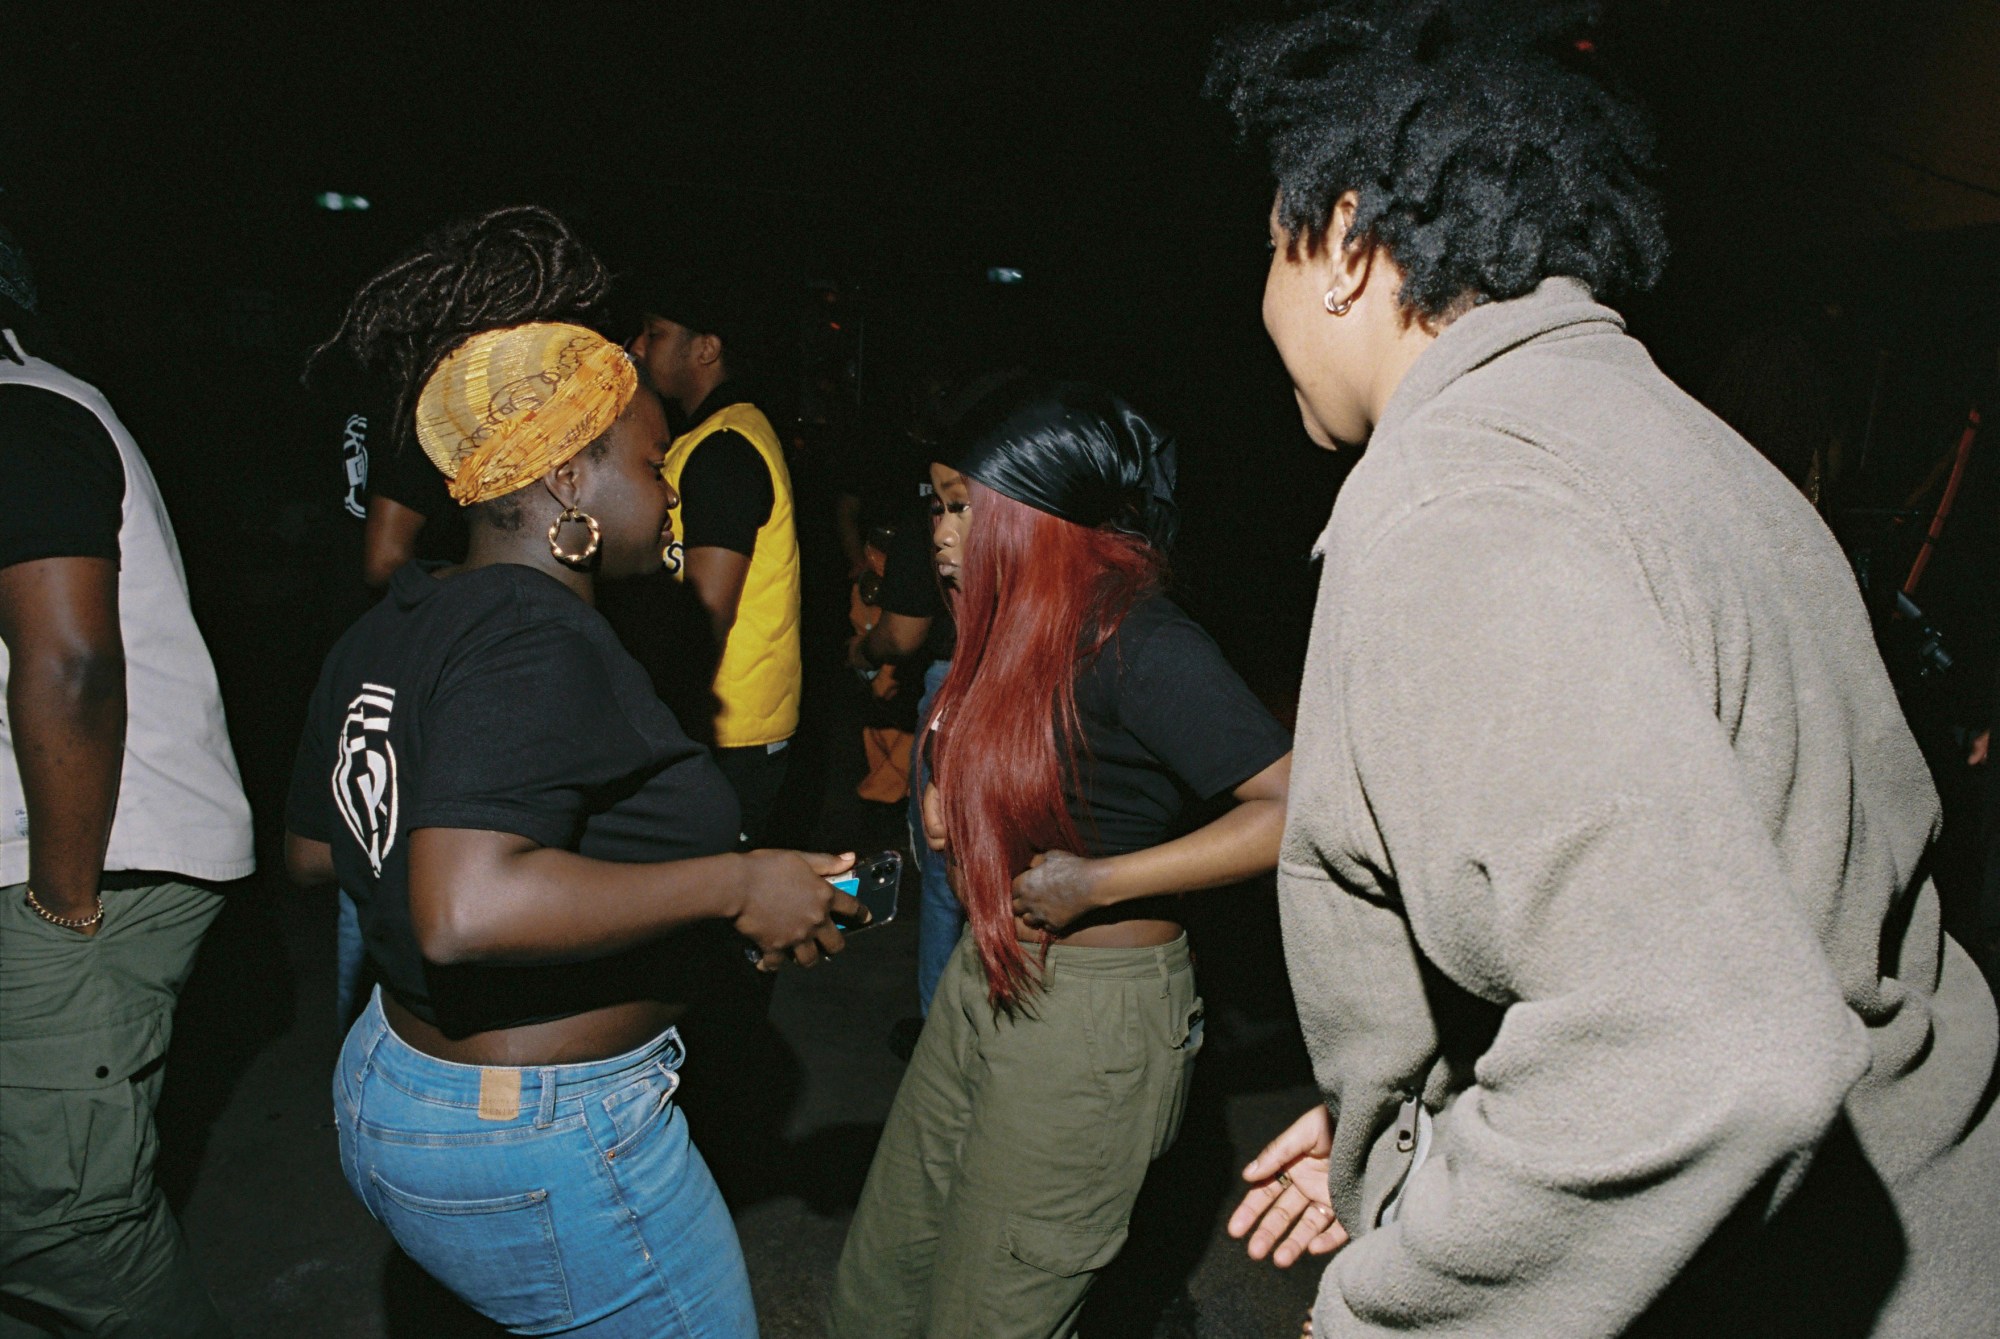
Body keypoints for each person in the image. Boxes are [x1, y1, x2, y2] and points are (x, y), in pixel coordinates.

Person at [1207, 5, 2000, 1335]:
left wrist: (1402, 1304)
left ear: (1344, 241)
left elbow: (1706, 1045)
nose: (1263, 299)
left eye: (1269, 251)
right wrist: (1437, 1153)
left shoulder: (1461, 506)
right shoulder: (1683, 447)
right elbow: (1733, 902)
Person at [283, 206, 863, 1338]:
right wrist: (733, 885)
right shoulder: (530, 630)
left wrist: (673, 906)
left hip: (393, 1079)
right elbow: (468, 905)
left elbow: (317, 851)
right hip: (534, 1129)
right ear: (567, 484)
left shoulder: (402, 615)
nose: (669, 496)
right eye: (654, 466)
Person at [828, 380, 1294, 1339]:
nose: (941, 533)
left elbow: (1295, 807)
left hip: (1093, 1018)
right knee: (879, 1287)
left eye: (963, 507)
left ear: (1033, 516)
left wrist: (1104, 880)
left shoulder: (1141, 637)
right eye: (936, 507)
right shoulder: (1008, 618)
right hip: (989, 971)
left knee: (991, 1315)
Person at [0, 226, 253, 1336]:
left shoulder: (20, 409)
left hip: (85, 865)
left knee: (67, 1226)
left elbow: (72, 662)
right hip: (64, 861)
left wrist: (65, 903)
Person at [626, 281, 801, 847]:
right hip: (726, 725)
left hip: (731, 732)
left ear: (706, 349)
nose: (638, 347)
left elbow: (705, 616)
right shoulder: (710, 437)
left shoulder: (724, 450)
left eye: (655, 334)